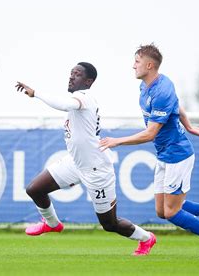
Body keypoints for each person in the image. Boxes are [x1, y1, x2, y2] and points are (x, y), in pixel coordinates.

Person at [99, 44, 199, 259]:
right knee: (162, 211)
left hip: (178, 156)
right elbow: (179, 107)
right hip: (164, 154)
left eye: (137, 62)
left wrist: (117, 141)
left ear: (149, 65)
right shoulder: (146, 87)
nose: (133, 66)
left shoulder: (162, 90)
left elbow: (150, 134)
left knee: (172, 212)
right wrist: (190, 126)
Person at [15, 62, 157, 256]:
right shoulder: (78, 101)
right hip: (75, 163)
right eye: (71, 73)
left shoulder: (83, 97)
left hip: (97, 169)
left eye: (77, 74)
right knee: (35, 189)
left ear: (88, 81)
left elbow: (65, 104)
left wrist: (36, 93)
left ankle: (147, 238)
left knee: (109, 224)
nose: (72, 76)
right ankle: (52, 224)